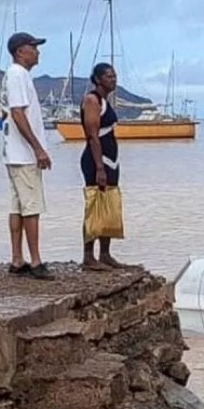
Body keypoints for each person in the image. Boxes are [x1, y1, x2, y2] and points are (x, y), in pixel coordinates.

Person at [2, 32, 54, 280]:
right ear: (21, 51)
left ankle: (17, 258)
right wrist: (38, 148)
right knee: (31, 207)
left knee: (18, 207)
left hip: (14, 153)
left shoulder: (15, 75)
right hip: (23, 155)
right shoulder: (18, 74)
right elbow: (18, 113)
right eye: (33, 47)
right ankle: (35, 261)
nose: (37, 52)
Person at [80, 63, 124, 270]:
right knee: (94, 205)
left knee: (109, 204)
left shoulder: (106, 101)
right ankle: (88, 255)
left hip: (111, 160)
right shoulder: (92, 100)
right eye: (108, 76)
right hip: (96, 159)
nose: (113, 80)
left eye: (114, 76)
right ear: (98, 79)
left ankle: (105, 253)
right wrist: (99, 167)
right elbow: (93, 136)